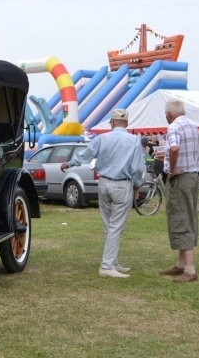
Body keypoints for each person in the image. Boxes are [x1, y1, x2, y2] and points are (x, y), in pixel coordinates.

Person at [60, 109, 145, 278]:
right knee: (116, 226)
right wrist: (137, 186)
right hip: (122, 184)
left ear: (112, 123)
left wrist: (68, 163)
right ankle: (107, 265)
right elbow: (138, 168)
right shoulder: (134, 140)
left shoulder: (102, 138)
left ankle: (111, 261)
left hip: (104, 182)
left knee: (109, 226)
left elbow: (85, 155)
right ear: (126, 124)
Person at [160, 100, 199, 283]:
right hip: (193, 176)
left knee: (179, 217)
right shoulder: (193, 126)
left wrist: (172, 169)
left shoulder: (174, 127)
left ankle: (190, 269)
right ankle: (181, 263)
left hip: (181, 178)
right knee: (189, 216)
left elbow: (175, 148)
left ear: (169, 115)